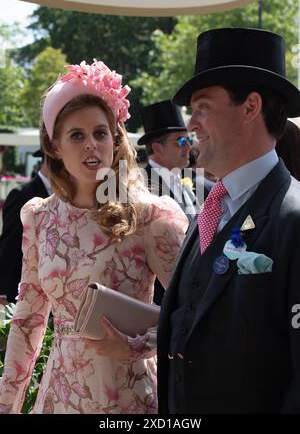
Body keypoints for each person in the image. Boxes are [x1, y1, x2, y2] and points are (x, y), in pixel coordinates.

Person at [0, 60, 188, 414]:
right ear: (54, 147)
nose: (92, 145)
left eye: (101, 133)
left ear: (115, 141)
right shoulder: (40, 217)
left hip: (129, 397)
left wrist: (140, 345)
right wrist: (7, 405)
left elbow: (193, 314)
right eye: (77, 135)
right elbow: (28, 321)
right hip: (59, 396)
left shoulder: (149, 216)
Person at [157, 28, 300, 414]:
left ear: (251, 107)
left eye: (202, 107)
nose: (191, 125)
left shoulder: (294, 218)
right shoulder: (210, 209)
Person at [138, 100, 199, 304]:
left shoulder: (185, 181)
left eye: (189, 139)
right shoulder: (142, 188)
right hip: (161, 298)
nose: (189, 146)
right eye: (180, 141)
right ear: (157, 148)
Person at [0, 149, 50, 305]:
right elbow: (9, 244)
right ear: (48, 159)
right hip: (22, 290)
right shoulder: (21, 194)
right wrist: (3, 291)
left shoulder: (68, 195)